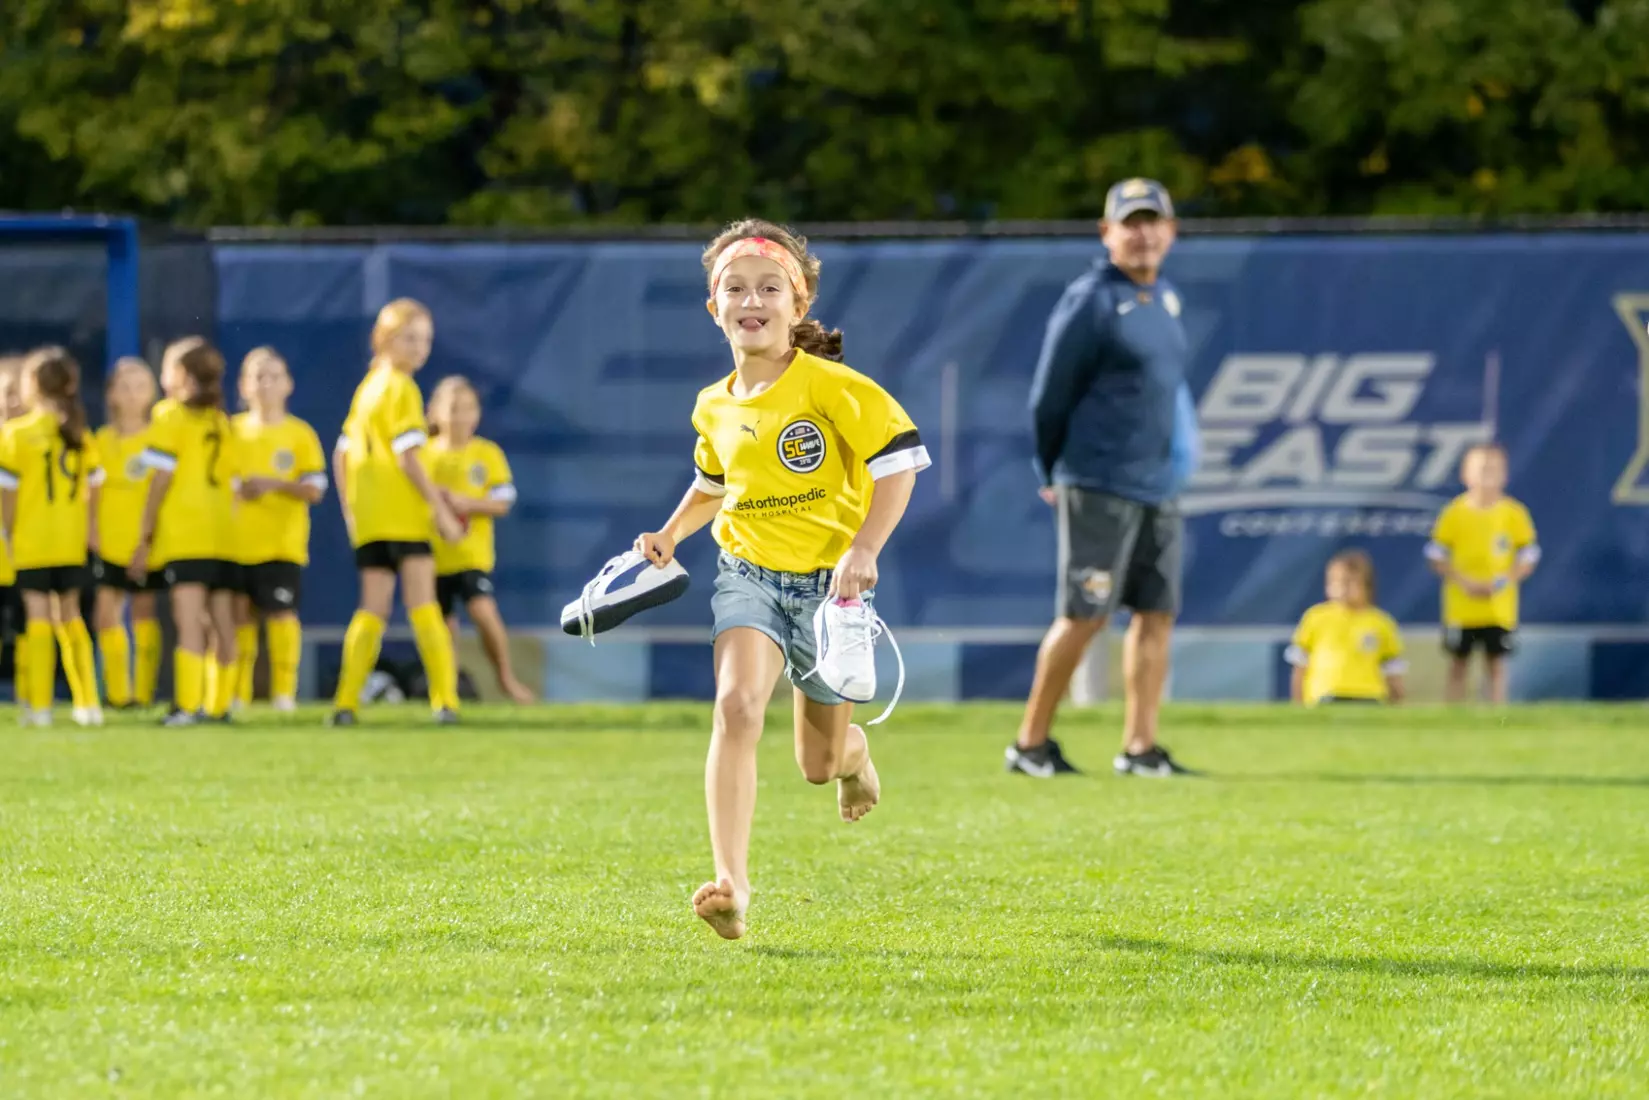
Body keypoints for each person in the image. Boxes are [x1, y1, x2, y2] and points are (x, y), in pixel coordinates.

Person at [634, 219, 930, 940]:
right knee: (736, 708)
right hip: (748, 575)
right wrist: (670, 533)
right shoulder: (712, 403)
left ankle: (853, 757)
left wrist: (865, 547)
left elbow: (900, 465)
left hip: (832, 592)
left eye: (770, 288)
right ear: (714, 308)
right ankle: (731, 886)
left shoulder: (833, 387)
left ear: (798, 305)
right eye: (735, 289)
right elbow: (713, 484)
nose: (751, 300)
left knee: (816, 763)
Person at [1006, 177, 1200, 779]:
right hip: (1098, 481)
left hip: (1158, 485)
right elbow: (1049, 395)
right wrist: (1051, 468)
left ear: (1171, 231)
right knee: (1085, 614)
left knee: (1156, 613)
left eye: (1152, 222)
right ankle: (1030, 745)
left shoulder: (1166, 299)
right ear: (1106, 232)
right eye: (1130, 223)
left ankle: (1140, 748)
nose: (1143, 234)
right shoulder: (1090, 300)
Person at [329, 298, 464, 726]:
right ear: (384, 339)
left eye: (425, 340)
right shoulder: (402, 387)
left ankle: (345, 704)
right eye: (409, 338)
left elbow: (341, 453)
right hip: (404, 515)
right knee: (423, 604)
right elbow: (409, 458)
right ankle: (446, 702)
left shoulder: (367, 387)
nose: (419, 348)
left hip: (371, 519)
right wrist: (440, 510)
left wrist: (351, 510)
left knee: (372, 609)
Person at [129, 340, 241, 725]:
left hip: (187, 534)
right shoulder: (223, 422)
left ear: (179, 375)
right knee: (222, 621)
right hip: (225, 536)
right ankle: (220, 704)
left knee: (189, 620)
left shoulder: (168, 415)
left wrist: (145, 535)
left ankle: (189, 706)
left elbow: (160, 479)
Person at [0, 347, 104, 726]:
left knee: (39, 617)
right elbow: (96, 486)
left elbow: (8, 492)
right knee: (71, 616)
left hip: (31, 542)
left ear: (31, 385)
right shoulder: (79, 432)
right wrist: (90, 528)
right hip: (69, 542)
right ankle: (88, 703)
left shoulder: (15, 434)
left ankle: (41, 707)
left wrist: (6, 531)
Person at [230, 347, 327, 712]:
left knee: (282, 616)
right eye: (258, 376)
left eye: (274, 376)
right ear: (243, 385)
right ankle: (237, 694)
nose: (266, 383)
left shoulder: (300, 434)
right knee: (238, 618)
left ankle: (284, 694)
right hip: (235, 544)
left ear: (288, 384)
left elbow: (315, 488)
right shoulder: (230, 432)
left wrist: (273, 484)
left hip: (281, 545)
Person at [427, 375, 533, 703]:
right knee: (441, 626)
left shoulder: (486, 454)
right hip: (431, 557)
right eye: (453, 409)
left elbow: (502, 501)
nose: (461, 417)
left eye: (468, 408)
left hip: (471, 557)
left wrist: (467, 503)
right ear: (436, 412)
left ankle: (505, 678)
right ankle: (446, 692)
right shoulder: (424, 455)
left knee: (483, 612)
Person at [1426, 442, 1539, 704]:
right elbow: (1436, 555)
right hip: (1461, 608)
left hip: (1498, 608)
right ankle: (1453, 715)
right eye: (1480, 469)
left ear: (1504, 475)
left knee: (1496, 665)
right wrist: (1463, 581)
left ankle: (1497, 717)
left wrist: (1503, 581)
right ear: (1465, 474)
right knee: (1458, 664)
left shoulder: (1514, 514)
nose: (1486, 476)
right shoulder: (1454, 513)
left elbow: (1528, 556)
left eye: (1493, 470)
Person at [92, 357, 164, 711]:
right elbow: (90, 493)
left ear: (152, 392)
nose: (132, 394)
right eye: (124, 386)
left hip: (147, 543)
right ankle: (118, 695)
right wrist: (92, 533)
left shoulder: (158, 438)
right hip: (109, 542)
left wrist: (148, 541)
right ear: (111, 395)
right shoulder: (100, 440)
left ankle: (143, 694)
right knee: (105, 615)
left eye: (140, 386)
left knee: (143, 614)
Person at [1287, 550, 1406, 705]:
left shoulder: (1380, 622)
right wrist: (1298, 702)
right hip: (1326, 695)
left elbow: (1392, 669)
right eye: (1335, 582)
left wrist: (1396, 700)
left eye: (1349, 582)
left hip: (1369, 696)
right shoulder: (1316, 617)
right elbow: (1300, 666)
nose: (1342, 588)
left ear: (1367, 586)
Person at [0, 356, 27, 712]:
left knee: (28, 625)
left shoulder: (39, 442)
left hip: (27, 551)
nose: (12, 401)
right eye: (6, 392)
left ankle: (31, 698)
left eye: (19, 392)